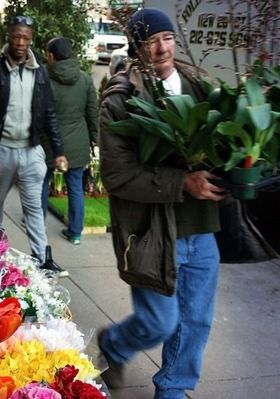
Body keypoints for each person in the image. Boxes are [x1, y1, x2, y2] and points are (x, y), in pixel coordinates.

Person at [97, 8, 226, 398]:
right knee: (160, 323)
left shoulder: (200, 86)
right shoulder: (121, 100)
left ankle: (171, 390)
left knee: (196, 322)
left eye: (167, 37)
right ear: (137, 49)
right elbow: (116, 175)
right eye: (151, 40)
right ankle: (115, 344)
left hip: (201, 228)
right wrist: (180, 182)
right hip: (151, 231)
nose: (161, 47)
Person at [0, 15, 68, 276]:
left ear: (31, 39)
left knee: (35, 206)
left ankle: (42, 257)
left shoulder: (40, 72)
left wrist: (58, 151)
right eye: (16, 36)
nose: (21, 42)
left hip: (31, 151)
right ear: (9, 36)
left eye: (26, 37)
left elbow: (49, 112)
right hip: (1, 150)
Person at [41, 36, 99, 245]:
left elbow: (37, 113)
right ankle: (75, 232)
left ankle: (37, 226)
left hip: (49, 141)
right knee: (75, 186)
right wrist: (94, 138)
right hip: (77, 141)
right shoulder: (84, 78)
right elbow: (92, 112)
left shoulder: (44, 78)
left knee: (42, 182)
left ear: (51, 55)